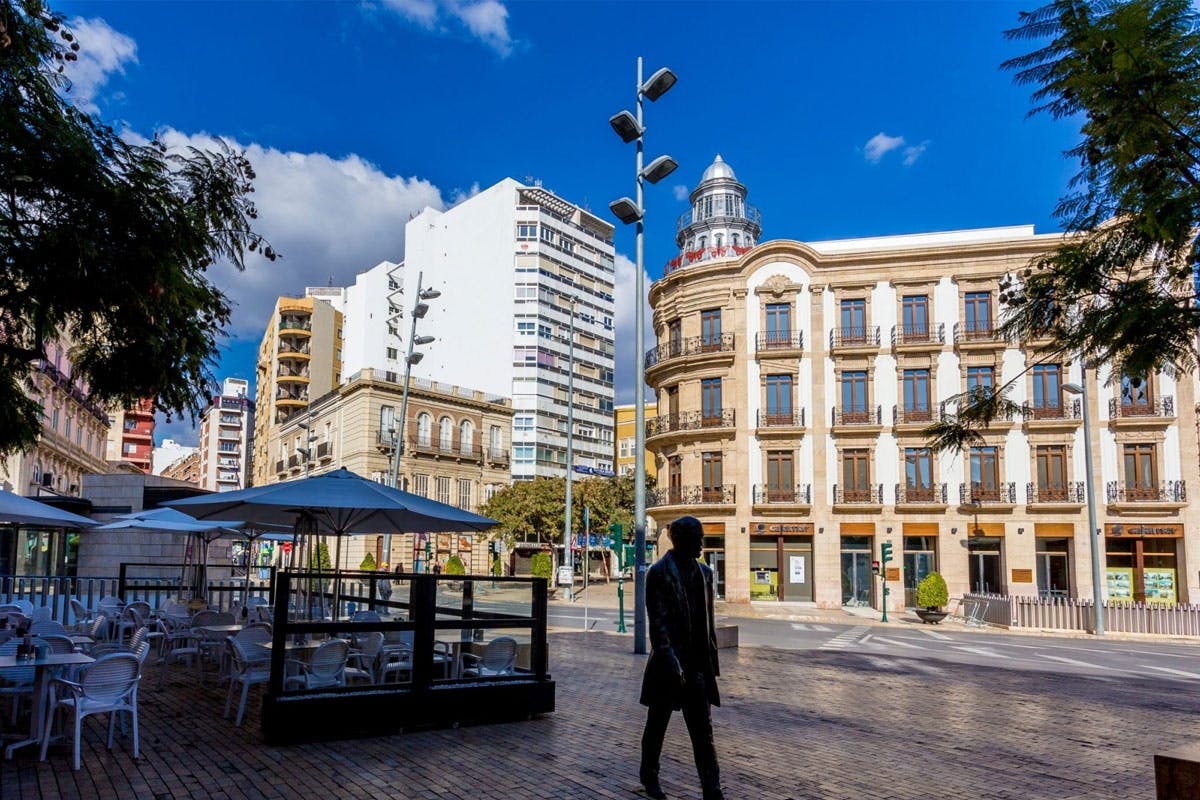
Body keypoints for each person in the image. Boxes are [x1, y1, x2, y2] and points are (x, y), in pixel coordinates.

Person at [639, 515, 723, 800]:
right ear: (682, 539)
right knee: (657, 726)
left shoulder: (705, 573)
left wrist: (710, 660)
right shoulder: (659, 573)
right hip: (668, 666)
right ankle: (649, 776)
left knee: (703, 733)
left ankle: (712, 788)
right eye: (698, 537)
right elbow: (657, 623)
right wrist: (670, 660)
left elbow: (707, 621)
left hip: (698, 666)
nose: (702, 542)